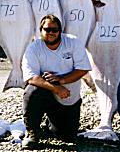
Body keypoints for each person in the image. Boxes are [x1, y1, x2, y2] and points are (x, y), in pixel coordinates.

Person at [21, 14, 92, 148]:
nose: (51, 33)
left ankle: (50, 123)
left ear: (60, 30)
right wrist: (56, 88)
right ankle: (32, 132)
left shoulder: (73, 42)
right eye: (47, 29)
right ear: (40, 30)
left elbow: (83, 69)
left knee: (66, 136)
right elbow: (31, 77)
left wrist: (61, 80)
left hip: (68, 98)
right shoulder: (33, 48)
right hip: (48, 92)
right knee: (32, 91)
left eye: (55, 29)